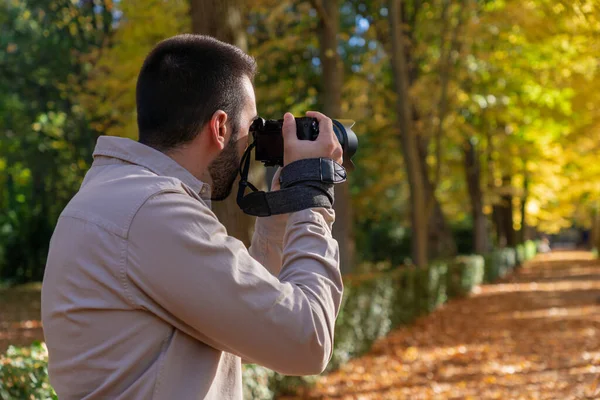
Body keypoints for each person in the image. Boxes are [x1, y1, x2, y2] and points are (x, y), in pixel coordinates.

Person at [41, 34, 344, 399]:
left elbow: (254, 319)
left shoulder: (115, 198)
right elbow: (305, 340)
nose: (251, 143)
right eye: (250, 128)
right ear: (220, 127)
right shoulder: (153, 211)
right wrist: (313, 195)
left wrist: (282, 208)